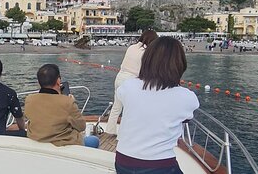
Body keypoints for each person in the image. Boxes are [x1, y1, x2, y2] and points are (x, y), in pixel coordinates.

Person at [115, 37, 199, 174]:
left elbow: (127, 99)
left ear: (147, 60)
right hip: (160, 165)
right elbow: (187, 116)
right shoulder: (186, 97)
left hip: (123, 161)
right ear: (179, 64)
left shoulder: (128, 86)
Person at [25, 63, 100, 148]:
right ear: (58, 81)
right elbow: (81, 126)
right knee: (94, 140)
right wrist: (71, 102)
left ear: (39, 82)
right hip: (63, 144)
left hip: (37, 140)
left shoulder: (29, 100)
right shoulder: (67, 102)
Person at [105, 30, 158, 135]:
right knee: (128, 110)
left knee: (116, 107)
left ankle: (110, 131)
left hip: (120, 77)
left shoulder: (131, 47)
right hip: (131, 81)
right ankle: (122, 136)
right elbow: (147, 71)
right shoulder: (146, 52)